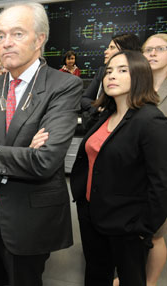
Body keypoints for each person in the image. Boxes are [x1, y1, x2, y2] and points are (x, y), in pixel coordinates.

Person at [0, 3, 82, 285]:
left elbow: (45, 161)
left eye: (17, 34)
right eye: (1, 35)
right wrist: (22, 153)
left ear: (39, 39)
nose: (6, 43)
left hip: (29, 217)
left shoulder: (62, 86)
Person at [70, 50, 167, 286]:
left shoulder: (150, 120)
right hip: (92, 214)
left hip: (127, 225)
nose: (112, 76)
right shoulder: (107, 115)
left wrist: (144, 228)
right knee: (95, 274)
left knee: (131, 279)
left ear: (140, 76)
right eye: (109, 71)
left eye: (123, 70)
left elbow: (161, 182)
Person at [122, 33, 167, 286]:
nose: (151, 54)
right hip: (133, 169)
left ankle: (149, 282)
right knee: (132, 231)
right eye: (147, 49)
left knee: (156, 233)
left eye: (159, 49)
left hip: (160, 170)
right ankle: (130, 275)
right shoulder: (138, 84)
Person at [80, 33, 140, 132]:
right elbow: (85, 99)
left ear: (125, 51)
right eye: (109, 72)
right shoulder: (101, 72)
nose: (106, 52)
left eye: (112, 48)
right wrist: (98, 109)